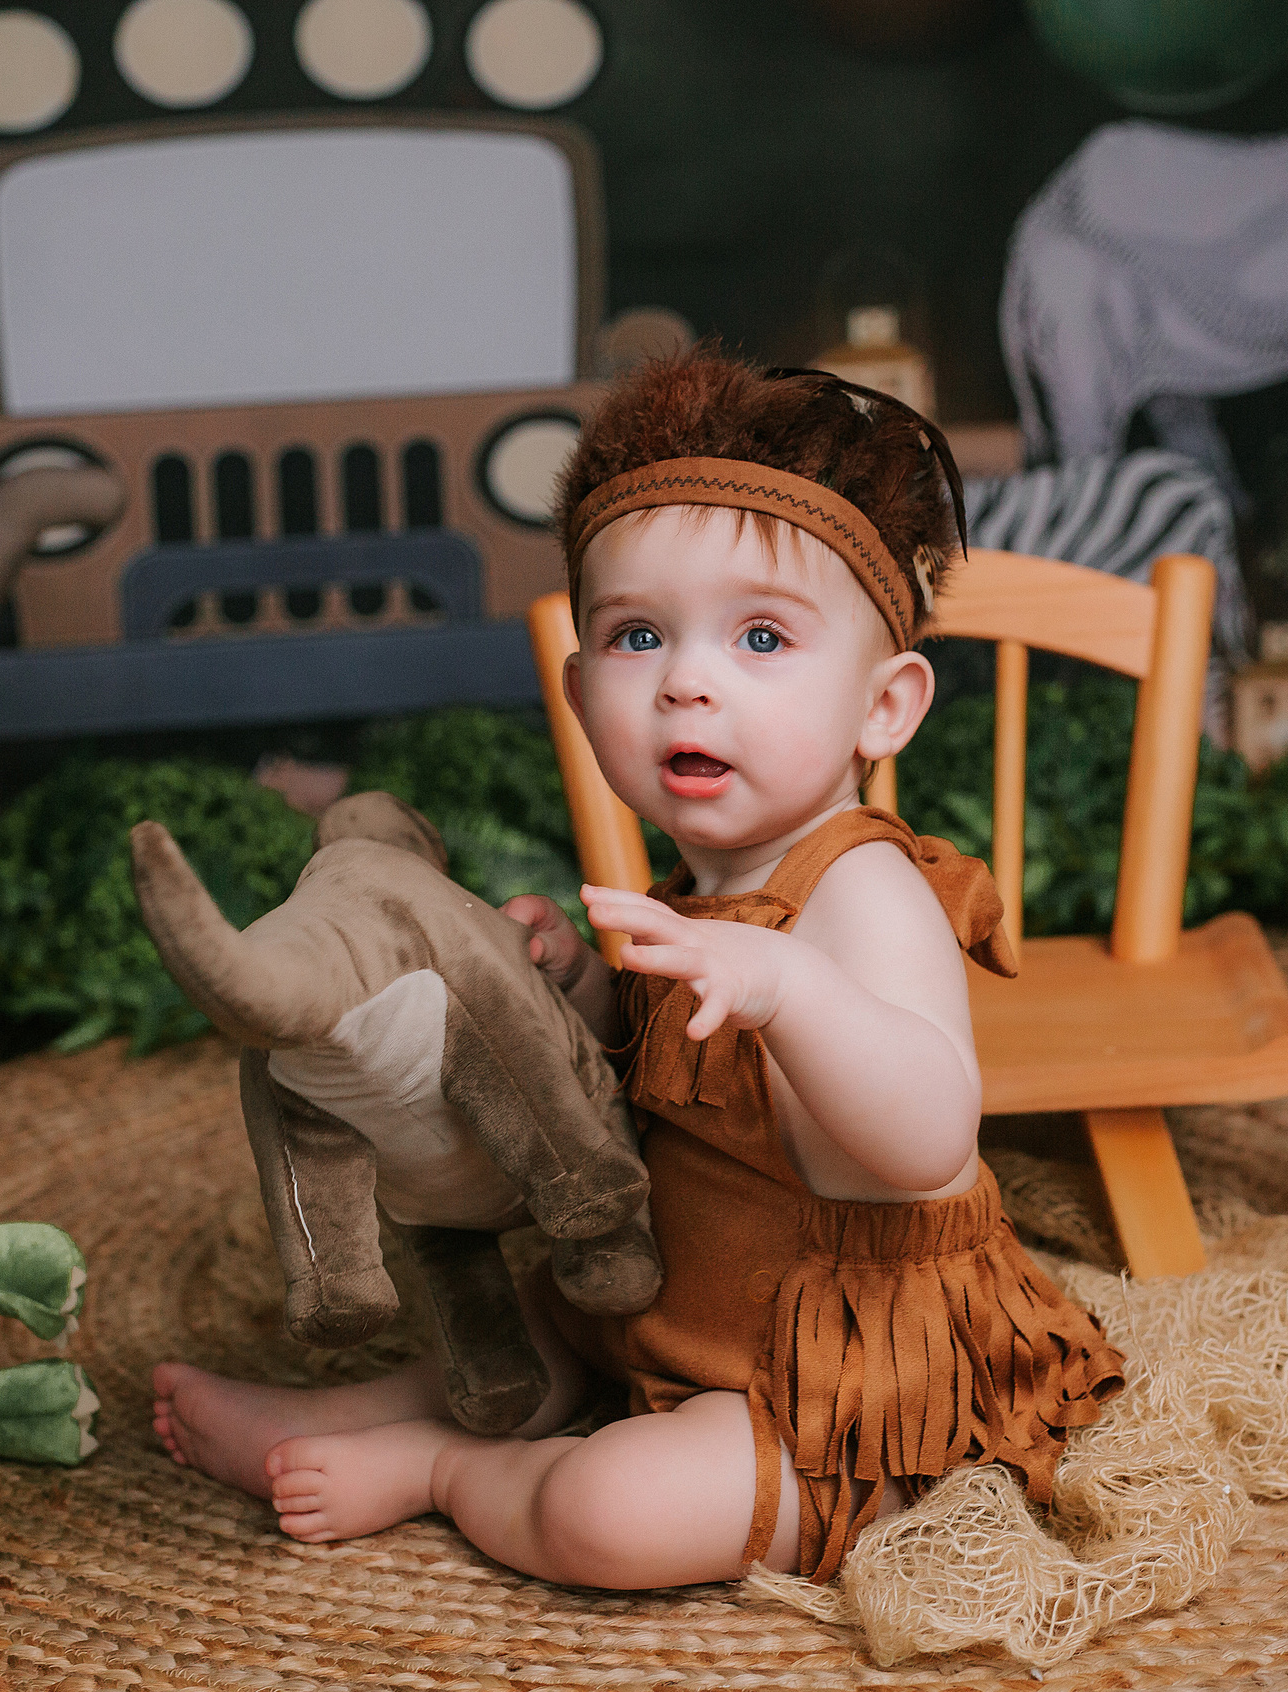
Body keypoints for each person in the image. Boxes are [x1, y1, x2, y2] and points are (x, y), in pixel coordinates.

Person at [152, 350, 1123, 1588]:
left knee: (612, 1510)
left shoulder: (867, 888)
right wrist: (575, 991)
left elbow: (928, 1135)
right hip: (681, 1296)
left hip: (844, 1378)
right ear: (578, 691)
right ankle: (347, 1412)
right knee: (535, 1322)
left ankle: (446, 1471)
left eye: (761, 636)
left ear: (884, 707)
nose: (687, 681)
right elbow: (663, 1073)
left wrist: (786, 988)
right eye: (638, 635)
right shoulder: (693, 888)